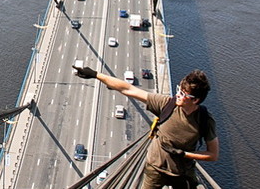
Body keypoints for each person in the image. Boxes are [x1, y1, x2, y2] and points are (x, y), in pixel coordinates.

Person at [73, 66, 219, 189]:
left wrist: (184, 154)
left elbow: (213, 155)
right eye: (178, 90)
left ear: (196, 100)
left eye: (183, 94)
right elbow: (128, 89)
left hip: (180, 173)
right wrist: (95, 75)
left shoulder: (205, 120)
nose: (178, 95)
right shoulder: (167, 104)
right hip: (155, 168)